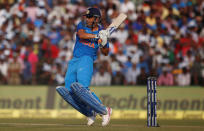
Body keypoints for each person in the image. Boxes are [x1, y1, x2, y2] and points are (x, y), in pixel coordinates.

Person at [56, 7, 112, 126]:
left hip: (87, 59)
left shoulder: (103, 32)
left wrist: (104, 41)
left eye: (89, 17)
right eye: (86, 16)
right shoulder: (82, 25)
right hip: (75, 59)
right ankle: (89, 112)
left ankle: (104, 110)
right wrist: (97, 37)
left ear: (96, 19)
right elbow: (81, 35)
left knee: (81, 88)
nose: (86, 19)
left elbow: (106, 52)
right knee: (69, 90)